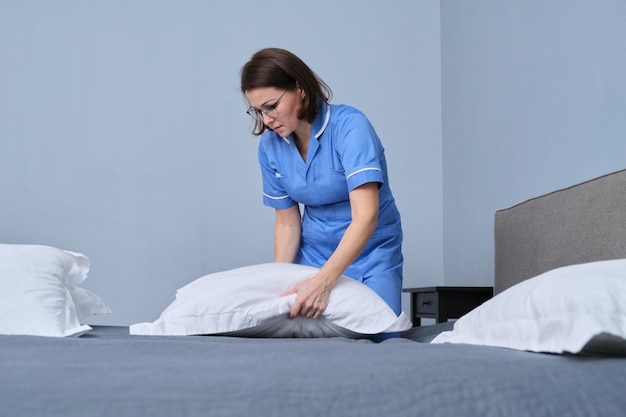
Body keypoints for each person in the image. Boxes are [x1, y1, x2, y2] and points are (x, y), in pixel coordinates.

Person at [240, 47, 404, 323]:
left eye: (271, 106)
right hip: (313, 254)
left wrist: (324, 282)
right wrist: (277, 282)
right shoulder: (269, 146)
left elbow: (366, 216)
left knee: (378, 331)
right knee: (299, 337)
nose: (266, 120)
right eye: (257, 111)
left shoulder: (351, 127)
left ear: (300, 89)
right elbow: (287, 223)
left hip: (370, 252)